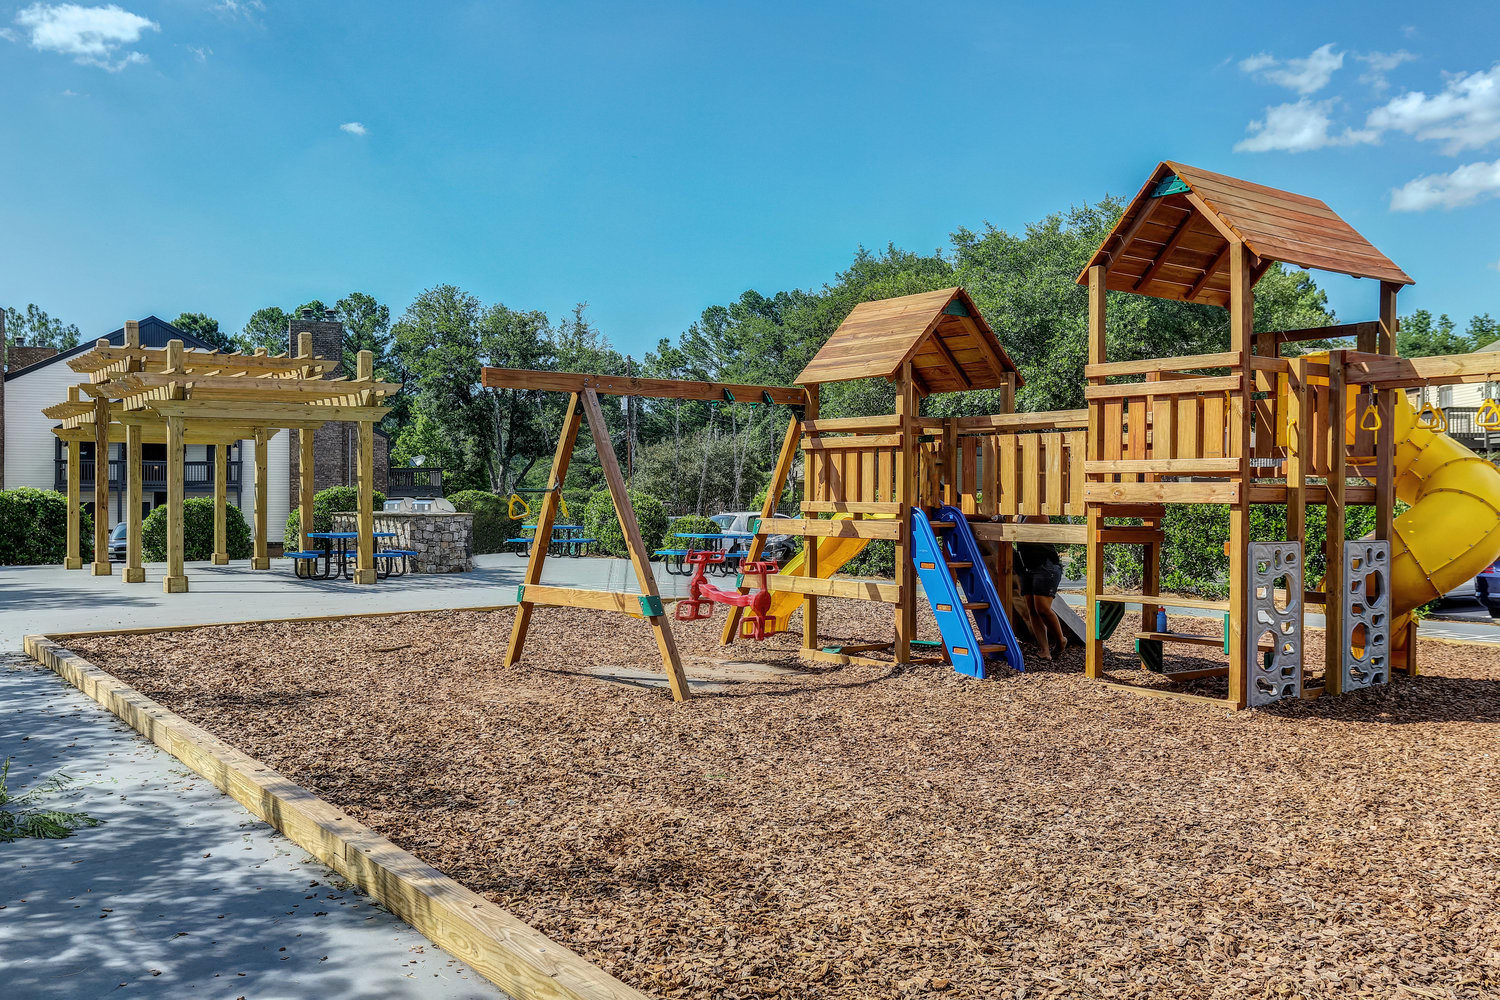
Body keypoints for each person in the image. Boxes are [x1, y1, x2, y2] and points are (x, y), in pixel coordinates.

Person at [1014, 514, 1067, 661]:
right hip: (1027, 566)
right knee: (1032, 609)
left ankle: (1061, 639)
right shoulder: (1020, 515)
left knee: (1042, 608)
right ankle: (1044, 650)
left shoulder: (1040, 514)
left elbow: (1019, 529)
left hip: (1045, 565)